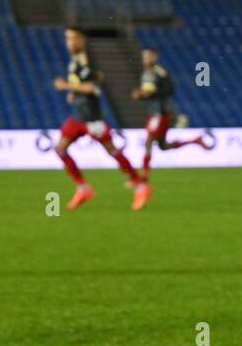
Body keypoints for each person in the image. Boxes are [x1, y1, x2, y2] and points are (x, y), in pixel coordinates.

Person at [53, 28, 148, 210]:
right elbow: (85, 84)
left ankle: (139, 184)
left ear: (82, 40)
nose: (70, 43)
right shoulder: (75, 61)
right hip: (78, 117)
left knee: (112, 151)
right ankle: (83, 188)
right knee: (60, 149)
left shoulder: (88, 60)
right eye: (67, 39)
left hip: (92, 119)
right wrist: (74, 92)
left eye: (74, 38)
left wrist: (66, 86)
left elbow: (92, 87)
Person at [131, 47, 212, 180]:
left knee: (148, 141)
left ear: (154, 57)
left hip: (159, 112)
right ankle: (195, 140)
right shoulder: (149, 72)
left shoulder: (158, 72)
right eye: (144, 56)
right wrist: (141, 94)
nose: (146, 59)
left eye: (148, 56)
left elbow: (167, 90)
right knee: (162, 146)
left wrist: (144, 94)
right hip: (156, 112)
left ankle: (144, 175)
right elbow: (152, 90)